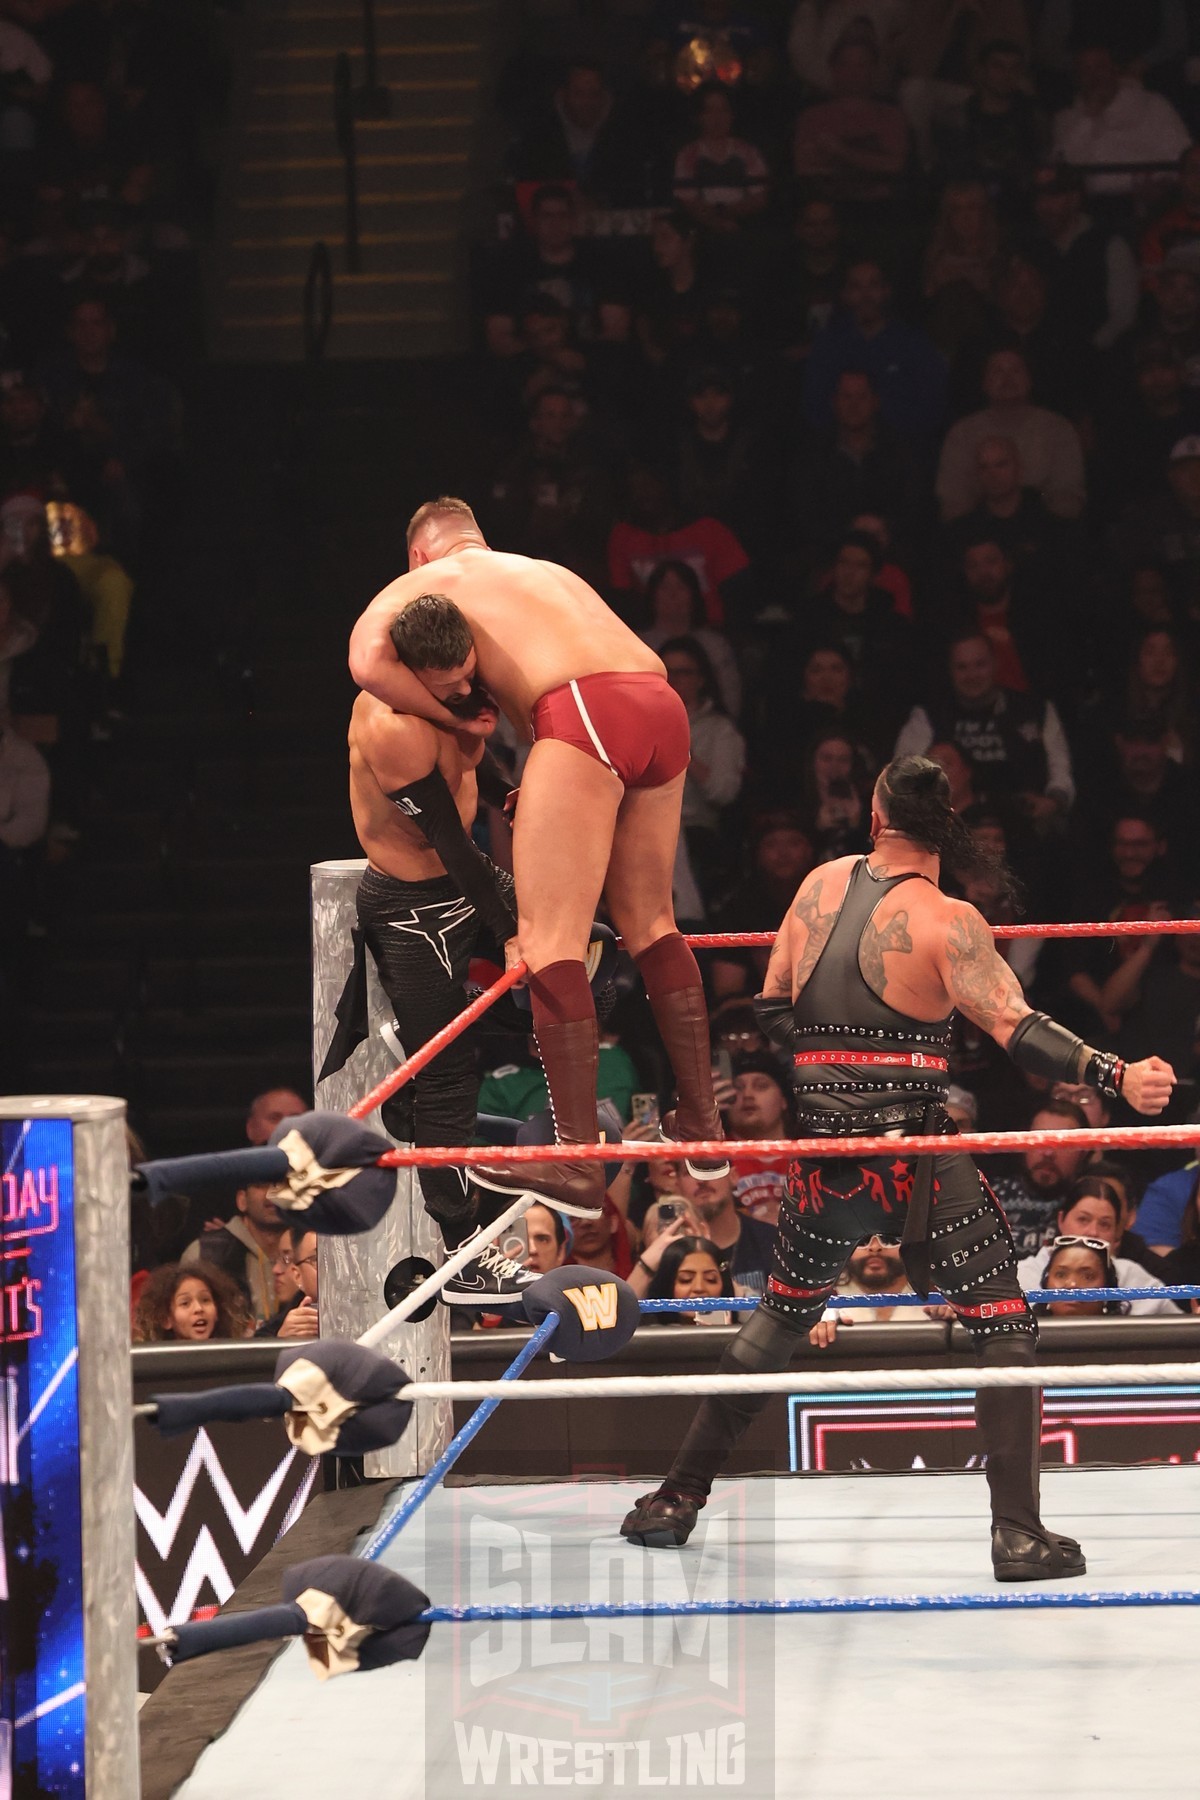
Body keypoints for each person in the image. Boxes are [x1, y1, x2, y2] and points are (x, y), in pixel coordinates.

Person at [620, 755, 1175, 1579]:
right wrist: (1115, 1075)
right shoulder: (950, 921)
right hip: (915, 1161)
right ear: (946, 827)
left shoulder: (816, 886)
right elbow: (1016, 1028)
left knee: (775, 1322)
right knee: (1006, 1330)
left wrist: (828, 1081)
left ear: (875, 820)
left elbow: (772, 1004)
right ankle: (1017, 1534)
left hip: (825, 1159)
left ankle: (676, 1496)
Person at [349, 496, 730, 1217]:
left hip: (584, 709)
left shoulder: (426, 583)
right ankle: (703, 1127)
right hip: (661, 701)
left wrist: (450, 711)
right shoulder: (541, 570)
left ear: (418, 558)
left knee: (551, 941)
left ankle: (578, 1164)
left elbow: (366, 662)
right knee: (652, 923)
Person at [1015, 1182, 1179, 1318]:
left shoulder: (1135, 1277)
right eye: (1083, 1219)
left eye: (1104, 1224)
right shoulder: (1019, 1277)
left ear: (1118, 1233)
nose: (1092, 1232)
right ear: (1061, 1221)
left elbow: (1180, 1332)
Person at [132, 1260, 251, 1343]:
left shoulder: (232, 1358)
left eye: (205, 1300)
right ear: (166, 1319)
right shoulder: (155, 1367)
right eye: (185, 1303)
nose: (198, 1309)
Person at [643, 1233, 733, 1323]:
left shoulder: (742, 1330)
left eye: (711, 1279)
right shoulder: (644, 1334)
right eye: (686, 1280)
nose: (699, 1288)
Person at [257, 1228, 321, 1341]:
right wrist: (282, 1342)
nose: (333, 1268)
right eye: (317, 1259)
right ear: (297, 1276)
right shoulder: (268, 1335)